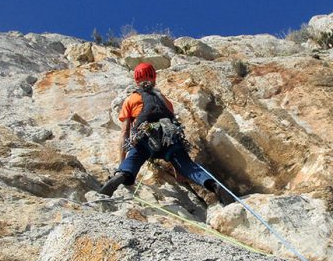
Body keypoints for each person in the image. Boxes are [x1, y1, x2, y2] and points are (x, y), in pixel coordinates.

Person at [99, 62, 233, 205]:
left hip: (145, 138)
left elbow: (124, 132)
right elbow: (173, 124)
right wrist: (179, 172)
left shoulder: (131, 99)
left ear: (136, 80)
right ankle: (212, 183)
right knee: (187, 164)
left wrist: (121, 163)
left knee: (135, 156)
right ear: (154, 78)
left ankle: (123, 174)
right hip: (170, 139)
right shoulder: (165, 101)